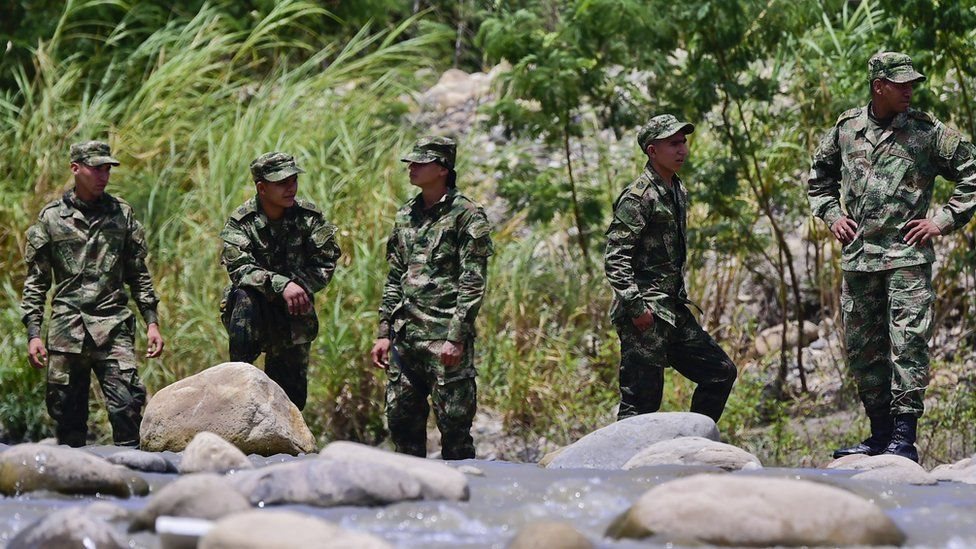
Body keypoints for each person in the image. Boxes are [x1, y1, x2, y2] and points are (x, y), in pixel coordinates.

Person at [808, 52, 976, 462]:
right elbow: (819, 177)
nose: (909, 91)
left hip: (906, 259)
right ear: (878, 85)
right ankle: (879, 435)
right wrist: (832, 215)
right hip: (859, 260)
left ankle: (904, 439)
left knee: (908, 344)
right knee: (864, 349)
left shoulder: (925, 131)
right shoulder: (847, 128)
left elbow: (973, 169)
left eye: (911, 84)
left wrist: (942, 220)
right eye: (900, 84)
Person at [21, 140, 164, 447]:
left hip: (112, 326)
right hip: (66, 332)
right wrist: (33, 332)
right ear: (76, 169)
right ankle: (75, 489)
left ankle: (133, 485)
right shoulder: (51, 219)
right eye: (96, 169)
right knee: (68, 423)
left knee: (127, 408)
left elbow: (138, 274)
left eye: (107, 169)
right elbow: (36, 282)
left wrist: (152, 321)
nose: (103, 176)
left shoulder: (121, 216)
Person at [604, 115, 737, 424]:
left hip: (672, 310)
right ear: (652, 151)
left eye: (684, 142)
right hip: (645, 315)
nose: (683, 149)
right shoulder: (638, 197)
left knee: (720, 372)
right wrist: (637, 309)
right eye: (673, 143)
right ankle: (622, 470)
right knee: (640, 406)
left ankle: (690, 446)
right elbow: (616, 258)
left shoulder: (676, 189)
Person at [370, 136, 493, 459]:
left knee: (455, 433)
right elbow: (395, 275)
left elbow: (472, 280)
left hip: (444, 341)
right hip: (405, 339)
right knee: (402, 430)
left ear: (442, 169)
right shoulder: (406, 215)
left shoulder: (466, 215)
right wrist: (384, 332)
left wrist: (457, 336)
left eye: (420, 163)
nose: (411, 168)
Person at [220, 152, 341, 410]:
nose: (291, 188)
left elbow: (326, 262)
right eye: (281, 182)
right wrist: (281, 285)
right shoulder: (241, 222)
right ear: (262, 187)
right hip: (253, 312)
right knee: (242, 296)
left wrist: (297, 286)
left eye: (293, 180)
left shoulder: (308, 218)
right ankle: (239, 377)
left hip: (293, 312)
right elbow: (240, 269)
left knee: (291, 403)